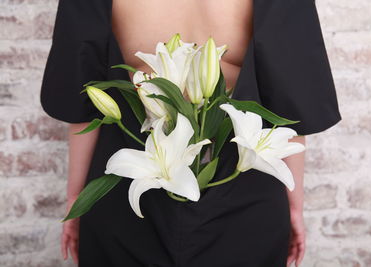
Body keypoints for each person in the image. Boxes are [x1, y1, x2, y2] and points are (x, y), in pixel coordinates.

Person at [40, 0, 342, 266]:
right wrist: (294, 206)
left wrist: (77, 199)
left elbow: (82, 97)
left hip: (129, 182)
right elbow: (291, 96)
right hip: (244, 189)